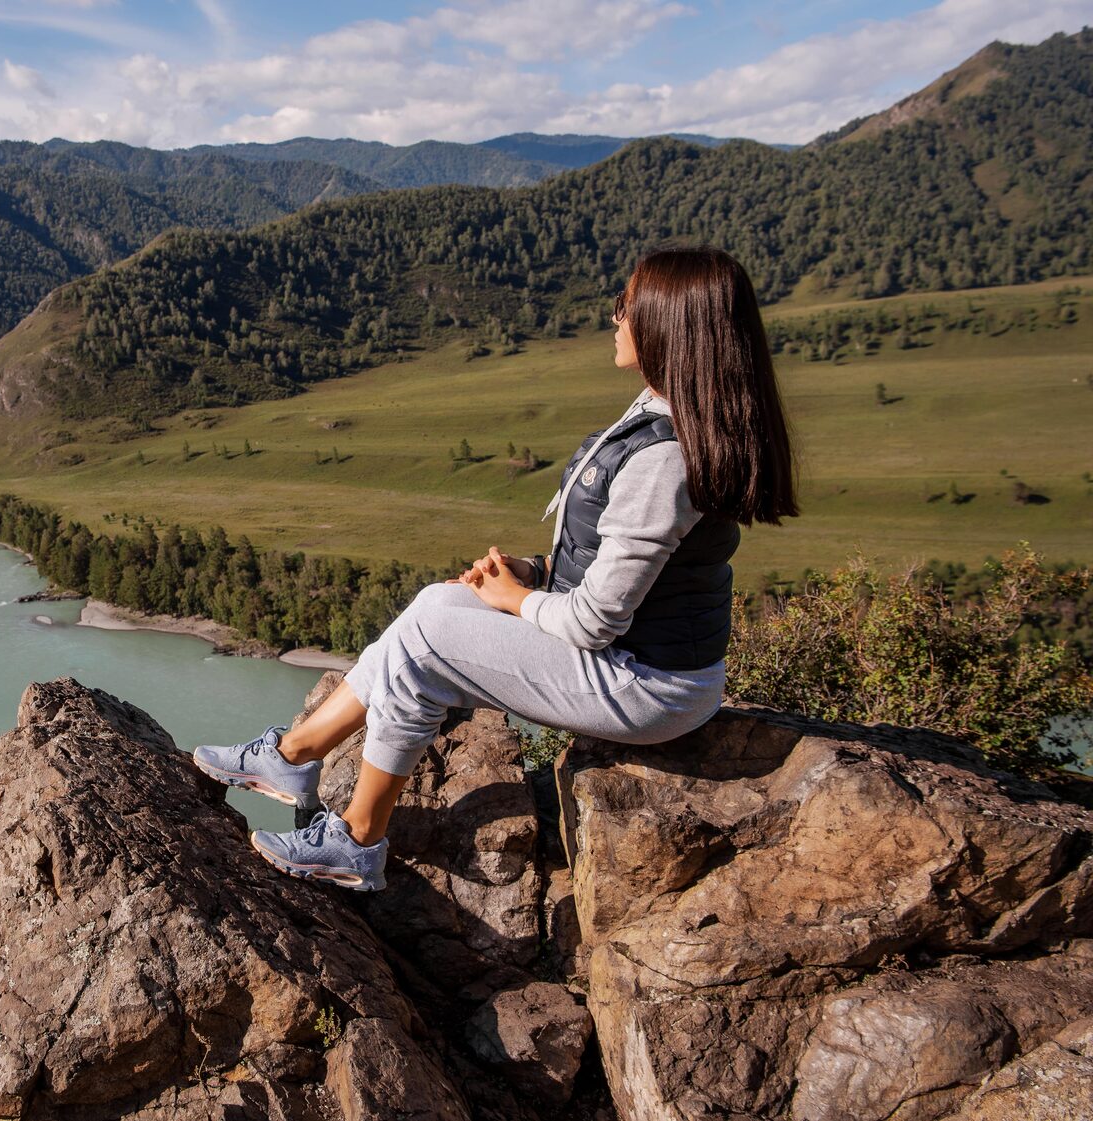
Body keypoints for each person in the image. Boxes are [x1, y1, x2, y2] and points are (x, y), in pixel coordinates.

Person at [192, 245, 798, 891]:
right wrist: (532, 571)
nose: (614, 316)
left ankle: (358, 840)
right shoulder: (665, 413)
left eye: (627, 305)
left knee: (426, 638)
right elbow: (617, 566)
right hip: (645, 661)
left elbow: (596, 619)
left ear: (670, 325)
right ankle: (295, 754)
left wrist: (513, 599)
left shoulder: (666, 457)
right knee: (435, 604)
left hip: (647, 686)